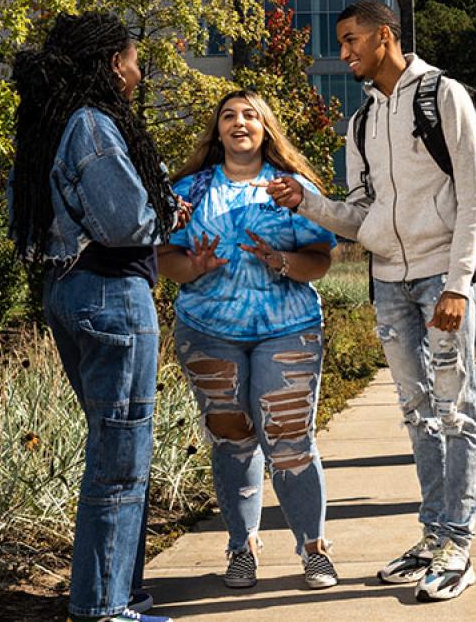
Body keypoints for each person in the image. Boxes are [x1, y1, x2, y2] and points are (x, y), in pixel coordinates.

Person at [266, 0, 476, 603]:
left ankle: (458, 544)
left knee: (458, 412)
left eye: (350, 40)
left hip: (441, 275)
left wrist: (458, 283)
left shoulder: (443, 96)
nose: (343, 54)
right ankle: (432, 535)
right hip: (388, 280)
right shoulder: (361, 121)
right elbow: (360, 214)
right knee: (418, 416)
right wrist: (306, 202)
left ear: (385, 37)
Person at [8, 12, 181, 622]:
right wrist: (166, 212)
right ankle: (104, 606)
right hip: (111, 296)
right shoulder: (91, 124)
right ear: (113, 62)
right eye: (135, 59)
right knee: (120, 459)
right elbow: (127, 221)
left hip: (72, 291)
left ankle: (123, 594)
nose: (138, 72)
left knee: (116, 448)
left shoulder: (50, 124)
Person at [158, 90, 339, 591]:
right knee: (233, 440)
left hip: (287, 330)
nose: (239, 122)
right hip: (208, 332)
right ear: (217, 131)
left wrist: (281, 262)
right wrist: (192, 266)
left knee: (289, 441)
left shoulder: (291, 190)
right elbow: (163, 258)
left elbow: (320, 261)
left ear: (266, 129)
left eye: (250, 115)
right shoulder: (188, 191)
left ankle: (313, 548)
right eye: (228, 116)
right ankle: (242, 547)